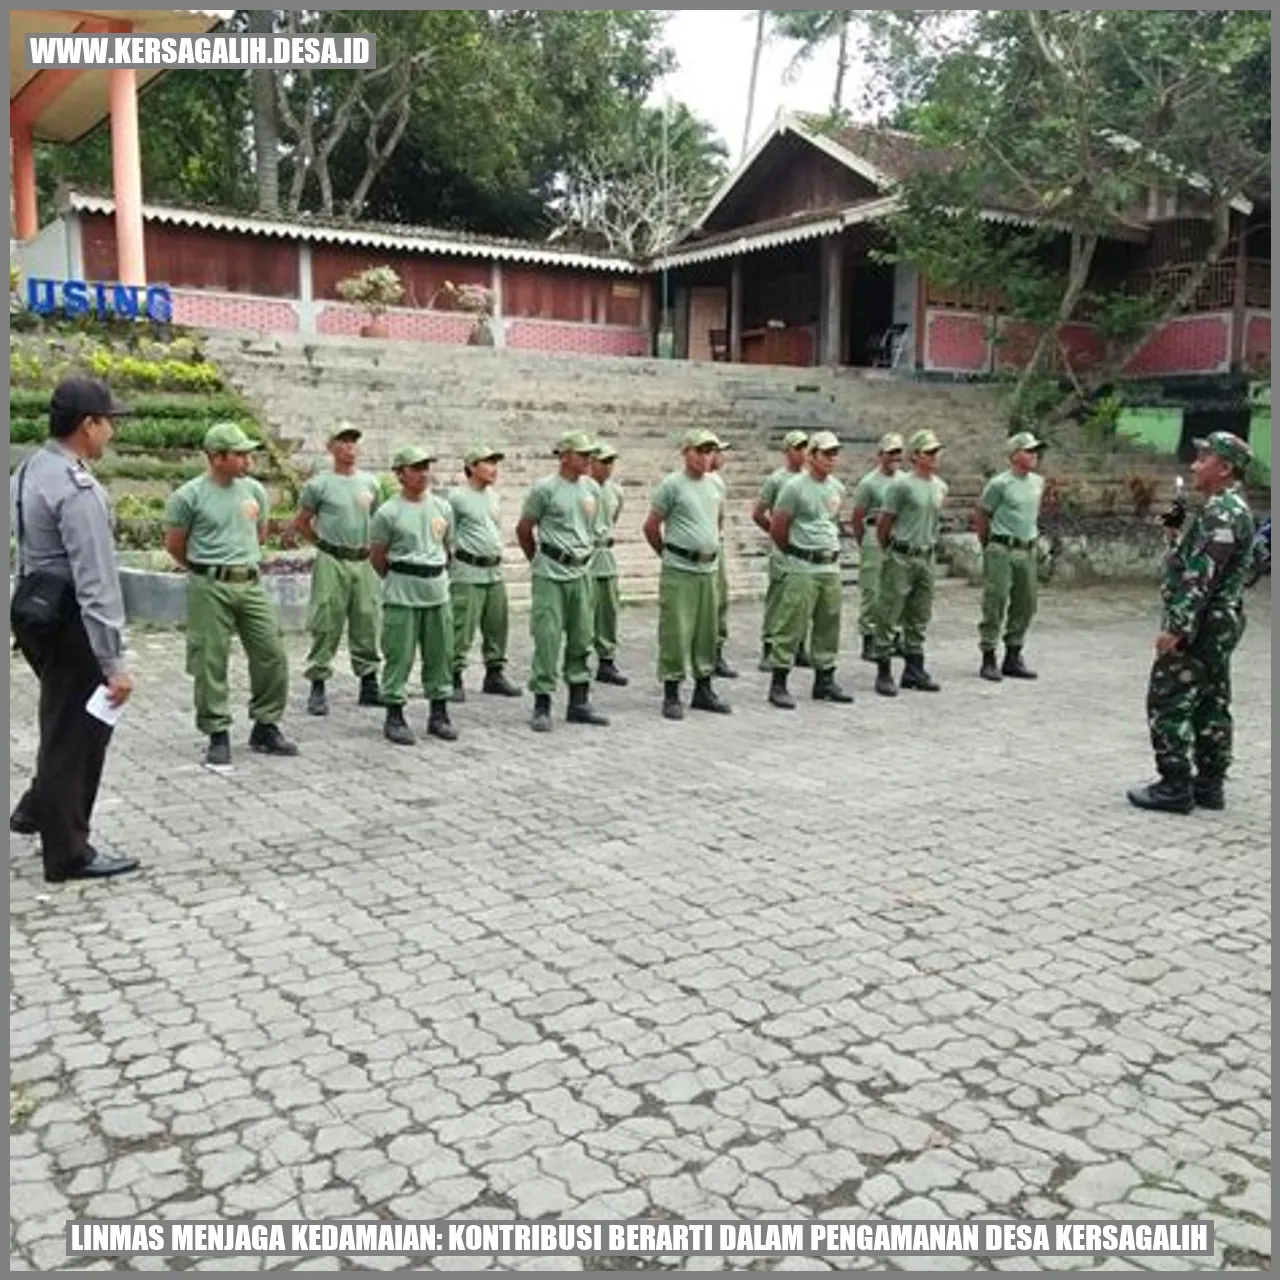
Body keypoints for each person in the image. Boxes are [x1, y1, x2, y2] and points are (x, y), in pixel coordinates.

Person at [9, 377, 139, 882]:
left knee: (62, 720)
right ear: (88, 425)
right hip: (73, 624)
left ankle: (36, 808)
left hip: (36, 614)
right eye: (109, 423)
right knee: (79, 737)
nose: (111, 433)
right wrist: (114, 662)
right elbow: (96, 582)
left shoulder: (29, 470)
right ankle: (68, 853)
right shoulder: (77, 487)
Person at [1127, 432, 1257, 814]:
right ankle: (1209, 784)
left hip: (1201, 623)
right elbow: (1188, 555)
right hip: (1220, 621)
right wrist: (1175, 527)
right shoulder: (1226, 509)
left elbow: (1202, 574)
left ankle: (1174, 785)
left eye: (1203, 458)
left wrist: (1177, 628)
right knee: (1212, 699)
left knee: (1168, 697)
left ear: (1225, 467)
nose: (1194, 465)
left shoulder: (1223, 513)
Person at [165, 422, 298, 766]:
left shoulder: (253, 490)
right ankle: (217, 732)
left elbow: (260, 533)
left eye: (247, 453)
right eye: (239, 454)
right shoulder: (189, 496)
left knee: (271, 652)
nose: (247, 459)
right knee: (210, 659)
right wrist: (207, 570)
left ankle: (266, 725)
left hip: (251, 582)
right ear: (216, 457)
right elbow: (176, 546)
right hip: (210, 584)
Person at [515, 432, 609, 733]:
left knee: (583, 635)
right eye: (582, 455)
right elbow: (524, 529)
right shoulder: (544, 489)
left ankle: (579, 701)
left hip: (582, 572)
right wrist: (539, 561)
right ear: (565, 456)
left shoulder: (592, 488)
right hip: (551, 572)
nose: (588, 460)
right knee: (547, 637)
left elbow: (594, 530)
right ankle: (542, 703)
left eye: (589, 455)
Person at [369, 445, 458, 746]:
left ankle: (439, 712)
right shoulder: (388, 512)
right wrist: (400, 576)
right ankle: (394, 713)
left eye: (426, 467)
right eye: (416, 468)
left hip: (437, 590)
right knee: (399, 654)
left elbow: (448, 549)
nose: (423, 473)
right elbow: (378, 556)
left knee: (440, 654)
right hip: (402, 591)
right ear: (400, 473)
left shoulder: (443, 507)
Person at [294, 422, 384, 716]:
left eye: (353, 441)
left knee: (368, 618)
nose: (349, 447)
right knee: (326, 619)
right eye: (343, 442)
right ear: (330, 447)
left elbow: (378, 521)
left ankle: (369, 682)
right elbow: (302, 522)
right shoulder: (318, 484)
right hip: (332, 558)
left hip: (363, 558)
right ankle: (318, 684)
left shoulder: (370, 483)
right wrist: (321, 543)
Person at [643, 428, 733, 721]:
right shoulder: (672, 485)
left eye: (711, 451)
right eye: (700, 450)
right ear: (686, 452)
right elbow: (651, 526)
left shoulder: (716, 485)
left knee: (706, 630)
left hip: (707, 568)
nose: (706, 457)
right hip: (679, 569)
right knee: (676, 630)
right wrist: (669, 555)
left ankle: (704, 688)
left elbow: (717, 522)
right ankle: (672, 691)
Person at [767, 431, 855, 709]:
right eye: (827, 453)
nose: (833, 458)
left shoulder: (837, 488)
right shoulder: (794, 487)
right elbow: (779, 526)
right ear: (812, 456)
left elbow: (832, 521)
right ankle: (779, 682)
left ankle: (825, 679)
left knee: (829, 622)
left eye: (835, 453)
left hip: (829, 565)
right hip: (802, 564)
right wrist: (794, 551)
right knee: (791, 623)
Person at [873, 429, 948, 697]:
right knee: (890, 611)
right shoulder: (901, 485)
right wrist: (891, 549)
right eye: (929, 452)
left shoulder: (940, 486)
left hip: (926, 555)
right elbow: (884, 522)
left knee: (919, 613)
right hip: (902, 554)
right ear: (916, 456)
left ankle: (914, 669)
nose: (935, 456)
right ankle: (883, 669)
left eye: (937, 451)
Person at [447, 445, 521, 702]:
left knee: (497, 624)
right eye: (487, 463)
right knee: (461, 627)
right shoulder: (456, 497)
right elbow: (447, 534)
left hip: (494, 569)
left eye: (495, 463)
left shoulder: (493, 496)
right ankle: (453, 675)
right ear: (472, 467)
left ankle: (495, 672)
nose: (493, 469)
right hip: (468, 569)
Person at [975, 430, 1046, 682]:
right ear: (1014, 455)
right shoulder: (999, 484)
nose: (1034, 455)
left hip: (1027, 547)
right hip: (1002, 547)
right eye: (1028, 450)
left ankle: (1014, 654)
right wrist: (989, 545)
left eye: (1035, 450)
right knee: (996, 600)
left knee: (1026, 602)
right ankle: (988, 655)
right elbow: (983, 515)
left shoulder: (1038, 483)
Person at [752, 430, 810, 672]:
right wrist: (777, 535)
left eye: (805, 447)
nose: (802, 452)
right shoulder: (777, 480)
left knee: (803, 599)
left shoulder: (811, 479)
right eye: (797, 448)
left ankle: (798, 645)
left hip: (804, 549)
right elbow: (758, 512)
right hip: (783, 549)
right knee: (778, 598)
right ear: (787, 452)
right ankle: (769, 646)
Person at [851, 433, 904, 662]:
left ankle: (894, 635)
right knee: (872, 589)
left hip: (900, 532)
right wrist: (865, 541)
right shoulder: (869, 483)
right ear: (880, 454)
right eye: (891, 452)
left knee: (897, 588)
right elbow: (857, 517)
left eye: (898, 452)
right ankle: (869, 637)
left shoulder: (905, 480)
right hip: (874, 532)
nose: (895, 457)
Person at [588, 442, 629, 686]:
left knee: (608, 610)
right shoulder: (584, 489)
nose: (609, 467)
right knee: (584, 612)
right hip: (586, 554)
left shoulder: (616, 491)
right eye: (604, 461)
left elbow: (613, 518)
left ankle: (606, 659)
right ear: (591, 462)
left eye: (611, 462)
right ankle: (578, 660)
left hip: (606, 553)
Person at [707, 441, 738, 679]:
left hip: (716, 545)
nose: (721, 456)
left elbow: (720, 517)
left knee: (720, 599)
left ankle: (716, 651)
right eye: (718, 451)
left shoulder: (717, 481)